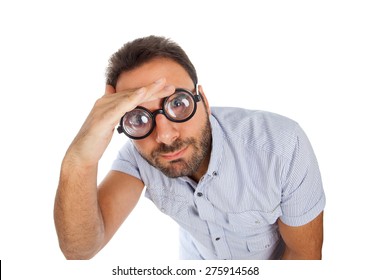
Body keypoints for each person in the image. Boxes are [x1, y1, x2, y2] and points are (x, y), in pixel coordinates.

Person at [54, 35, 325, 260]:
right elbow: (80, 249)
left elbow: (304, 257)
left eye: (178, 104)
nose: (165, 136)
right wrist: (80, 159)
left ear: (204, 101)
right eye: (138, 118)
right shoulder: (139, 157)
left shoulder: (280, 146)